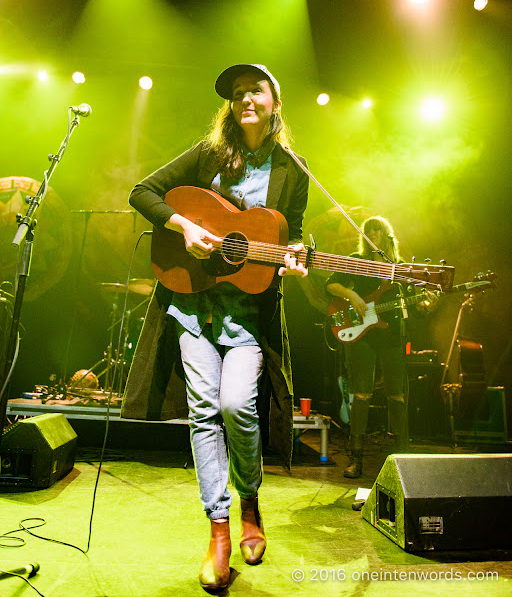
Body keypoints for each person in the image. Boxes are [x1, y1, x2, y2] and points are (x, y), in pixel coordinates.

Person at [121, 64, 309, 592]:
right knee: (204, 413)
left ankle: (250, 499)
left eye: (256, 90)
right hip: (191, 305)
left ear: (275, 101)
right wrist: (185, 227)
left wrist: (292, 258)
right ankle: (220, 530)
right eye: (237, 92)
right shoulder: (208, 155)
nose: (245, 97)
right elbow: (144, 192)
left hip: (248, 316)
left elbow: (286, 240)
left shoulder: (293, 169)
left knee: (235, 406)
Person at [325, 216, 436, 478]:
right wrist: (351, 295)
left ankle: (401, 456)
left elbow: (412, 303)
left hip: (391, 334)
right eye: (368, 230)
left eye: (378, 229)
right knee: (361, 394)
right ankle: (357, 459)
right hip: (362, 335)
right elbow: (330, 284)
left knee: (397, 395)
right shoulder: (357, 259)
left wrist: (423, 302)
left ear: (388, 234)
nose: (373, 233)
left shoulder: (398, 267)